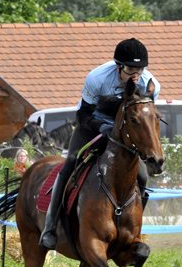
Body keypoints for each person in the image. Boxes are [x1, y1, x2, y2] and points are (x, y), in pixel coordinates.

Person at [39, 38, 161, 250]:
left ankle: (133, 230)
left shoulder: (150, 84)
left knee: (142, 176)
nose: (136, 75)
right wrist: (101, 127)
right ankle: (50, 227)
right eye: (131, 69)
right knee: (70, 163)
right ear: (118, 66)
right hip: (92, 123)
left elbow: (143, 118)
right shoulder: (97, 78)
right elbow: (83, 114)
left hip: (124, 129)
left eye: (139, 69)